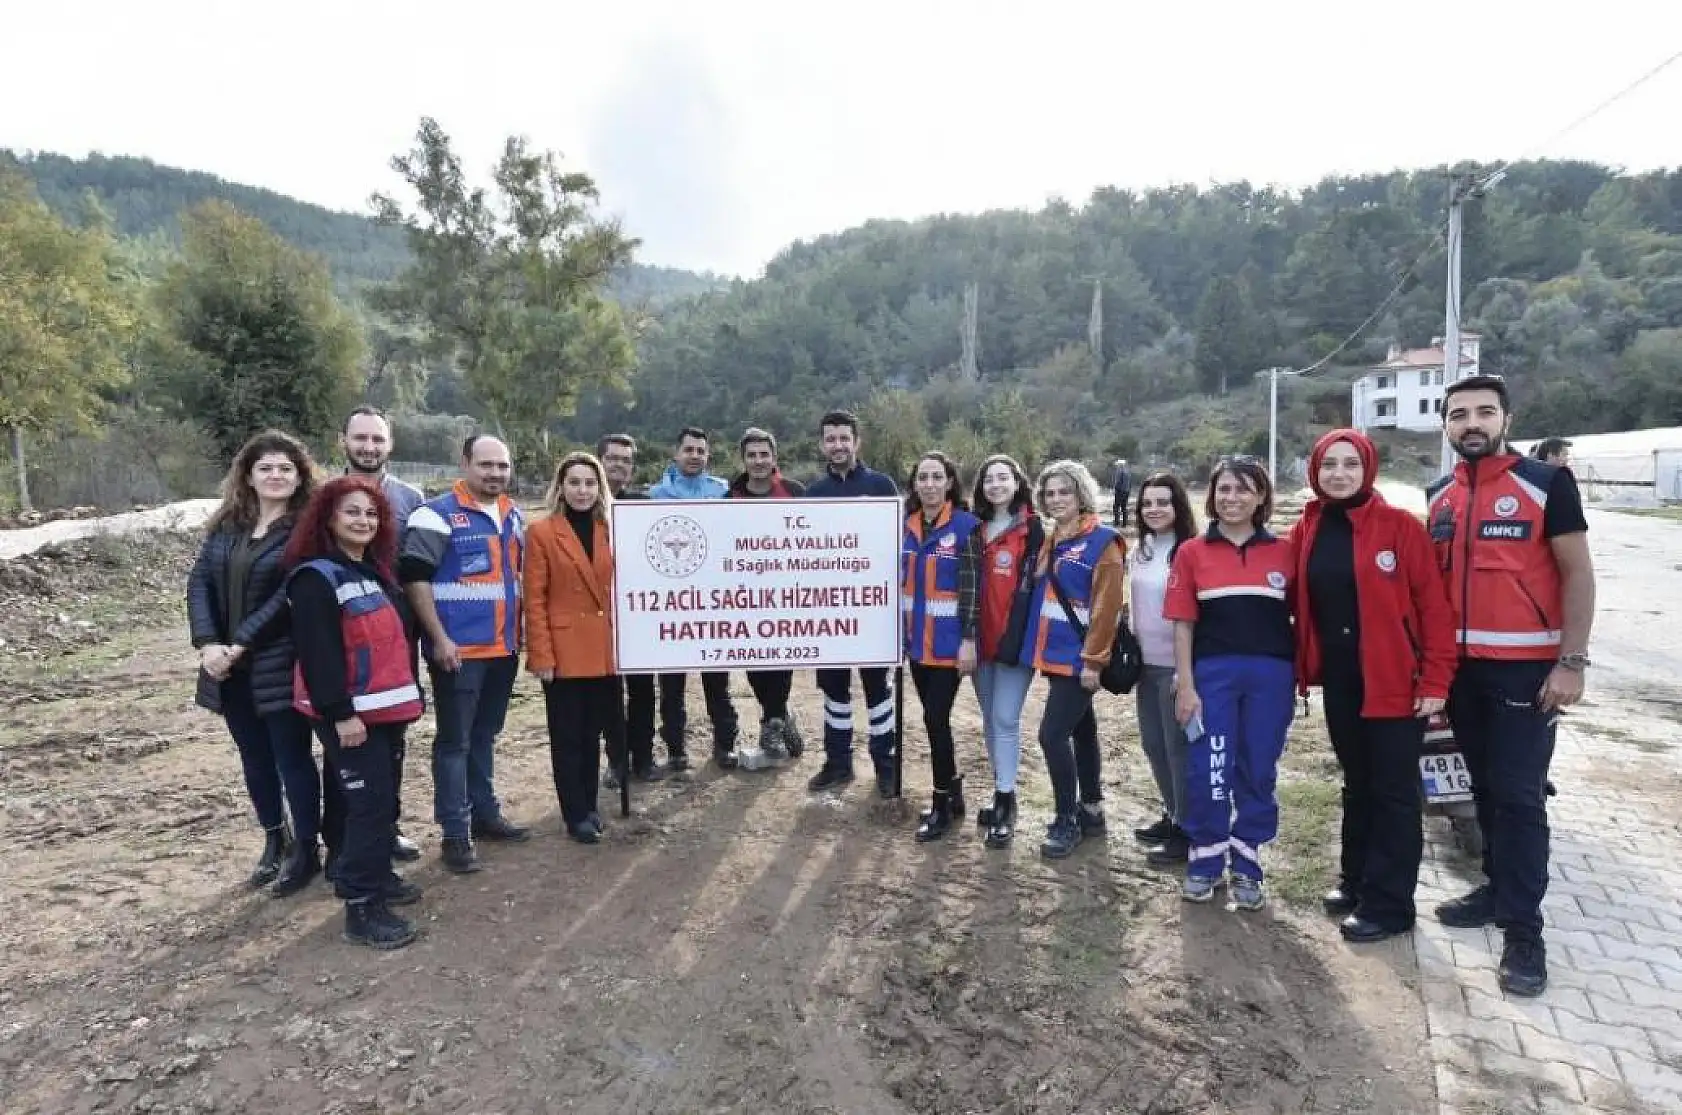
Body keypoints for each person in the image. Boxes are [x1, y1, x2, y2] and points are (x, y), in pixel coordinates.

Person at [1427, 375, 1595, 997]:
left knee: (1521, 800)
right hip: (1461, 674)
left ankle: (1525, 932)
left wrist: (1572, 662)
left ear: (1505, 418)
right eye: (1459, 414)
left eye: (1484, 412)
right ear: (1445, 425)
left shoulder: (1547, 484)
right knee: (1486, 788)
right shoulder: (1440, 495)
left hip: (1527, 672)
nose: (1472, 423)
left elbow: (1578, 574)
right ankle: (1497, 890)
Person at [1291, 430, 1457, 943]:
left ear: (1368, 470)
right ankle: (1356, 878)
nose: (1338, 474)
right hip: (1342, 681)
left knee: (1393, 793)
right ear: (1315, 471)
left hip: (1396, 683)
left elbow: (1434, 609)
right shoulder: (1308, 528)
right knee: (1356, 782)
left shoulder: (1401, 528)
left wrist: (1436, 679)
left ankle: (1390, 904)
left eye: (1350, 465)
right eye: (1329, 465)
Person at [285, 477, 425, 949]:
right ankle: (361, 908)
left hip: (384, 713)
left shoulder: (375, 571)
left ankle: (380, 876)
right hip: (349, 718)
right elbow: (318, 652)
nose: (363, 520)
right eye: (352, 512)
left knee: (383, 803)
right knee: (366, 807)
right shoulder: (316, 577)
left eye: (371, 513)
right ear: (328, 518)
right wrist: (340, 714)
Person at [186, 430, 321, 895]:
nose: (276, 475)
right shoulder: (229, 524)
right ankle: (273, 839)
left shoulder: (307, 528)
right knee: (255, 760)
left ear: (300, 475)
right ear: (248, 474)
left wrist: (241, 643)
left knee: (292, 759)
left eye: (286, 468)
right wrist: (207, 645)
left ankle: (307, 849)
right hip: (226, 667)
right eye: (266, 468)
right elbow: (200, 582)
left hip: (278, 662)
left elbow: (290, 595)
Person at [1165, 456, 1295, 910]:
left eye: (1243, 490)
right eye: (1224, 490)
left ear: (1261, 497)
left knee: (1258, 769)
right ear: (1212, 496)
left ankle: (1247, 862)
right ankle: (1205, 860)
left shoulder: (1285, 550)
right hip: (1212, 676)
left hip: (1271, 677)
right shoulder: (1192, 552)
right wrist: (1186, 684)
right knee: (1210, 769)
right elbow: (1182, 624)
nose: (1232, 498)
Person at [400, 435, 530, 875]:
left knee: (484, 736)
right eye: (486, 465)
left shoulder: (514, 515)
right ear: (465, 464)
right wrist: (438, 638)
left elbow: (514, 581)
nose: (495, 473)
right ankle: (455, 832)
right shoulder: (434, 515)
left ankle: (485, 813)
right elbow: (414, 579)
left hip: (503, 649)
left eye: (503, 466)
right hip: (458, 652)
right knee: (454, 742)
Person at [1022, 460, 1126, 859]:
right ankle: (1092, 809)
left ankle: (1066, 819)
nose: (1057, 499)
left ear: (1081, 493)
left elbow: (1107, 607)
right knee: (1082, 730)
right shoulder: (1054, 538)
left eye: (1064, 491)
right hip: (1054, 654)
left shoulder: (1103, 541)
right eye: (1049, 493)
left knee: (1051, 735)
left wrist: (1094, 661)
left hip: (1079, 658)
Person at [342, 405, 425, 863]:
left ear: (389, 444)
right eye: (361, 438)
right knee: (342, 742)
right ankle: (342, 840)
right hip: (340, 642)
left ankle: (387, 829)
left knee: (393, 738)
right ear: (344, 441)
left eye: (377, 439)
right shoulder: (322, 496)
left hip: (397, 640)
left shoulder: (411, 498)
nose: (369, 447)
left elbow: (422, 573)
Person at [524, 453, 621, 844]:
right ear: (560, 487)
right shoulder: (542, 533)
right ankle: (574, 813)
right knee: (568, 738)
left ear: (600, 488)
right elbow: (535, 600)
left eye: (590, 483)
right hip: (563, 653)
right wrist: (542, 657)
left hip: (603, 650)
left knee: (593, 734)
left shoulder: (610, 529)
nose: (582, 490)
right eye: (574, 482)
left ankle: (591, 805)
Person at [805, 409, 902, 795]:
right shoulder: (813, 494)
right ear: (822, 444)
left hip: (873, 612)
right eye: (831, 438)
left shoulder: (882, 486)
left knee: (879, 693)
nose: (838, 445)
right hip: (829, 612)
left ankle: (886, 765)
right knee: (834, 693)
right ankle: (838, 763)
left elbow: (897, 547)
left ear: (857, 442)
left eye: (844, 438)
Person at [960, 454, 1042, 848]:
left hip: (1015, 644)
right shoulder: (973, 529)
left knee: (1006, 718)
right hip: (981, 642)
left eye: (1003, 477)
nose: (995, 485)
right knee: (991, 722)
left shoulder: (1034, 529)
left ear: (1017, 482)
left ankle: (1007, 802)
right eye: (988, 479)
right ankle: (1000, 789)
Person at [648, 426, 740, 771]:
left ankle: (725, 744)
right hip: (671, 604)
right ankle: (675, 750)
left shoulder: (723, 492)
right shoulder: (655, 495)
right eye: (688, 449)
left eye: (701, 450)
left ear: (708, 455)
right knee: (671, 686)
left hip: (714, 604)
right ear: (676, 452)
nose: (694, 455)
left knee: (718, 683)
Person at [901, 451, 981, 841]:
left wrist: (969, 640)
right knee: (935, 720)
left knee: (935, 720)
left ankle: (941, 804)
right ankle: (954, 788)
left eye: (937, 477)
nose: (929, 484)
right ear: (914, 484)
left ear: (950, 482)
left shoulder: (967, 527)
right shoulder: (905, 526)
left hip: (949, 648)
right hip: (916, 646)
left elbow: (973, 589)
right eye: (922, 477)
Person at [1129, 472, 1198, 867]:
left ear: (1178, 507)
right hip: (1145, 666)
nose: (1154, 510)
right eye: (1147, 503)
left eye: (1163, 502)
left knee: (1178, 751)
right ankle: (1173, 814)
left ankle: (1187, 831)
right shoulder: (1141, 550)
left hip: (1177, 668)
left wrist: (1187, 673)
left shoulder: (1190, 550)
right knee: (1154, 746)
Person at [728, 428, 808, 765]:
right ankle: (779, 716)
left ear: (774, 458)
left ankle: (771, 722)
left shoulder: (794, 491)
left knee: (782, 660)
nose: (759, 461)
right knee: (755, 662)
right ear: (743, 460)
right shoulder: (731, 496)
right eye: (752, 455)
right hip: (745, 595)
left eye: (764, 454)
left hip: (787, 595)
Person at [595, 434, 666, 788]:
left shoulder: (642, 505)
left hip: (638, 618)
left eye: (626, 459)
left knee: (642, 692)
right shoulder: (586, 504)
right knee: (609, 695)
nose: (620, 465)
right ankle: (616, 761)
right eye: (613, 458)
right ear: (600, 461)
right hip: (599, 618)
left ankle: (644, 758)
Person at [1111, 458, 1132, 528]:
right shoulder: (1128, 472)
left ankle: (1116, 522)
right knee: (1124, 507)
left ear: (1120, 465)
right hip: (1127, 491)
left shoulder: (1119, 472)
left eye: (1118, 465)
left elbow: (1117, 482)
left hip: (1120, 491)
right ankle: (1124, 523)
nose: (1117, 466)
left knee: (1116, 507)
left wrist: (1114, 489)